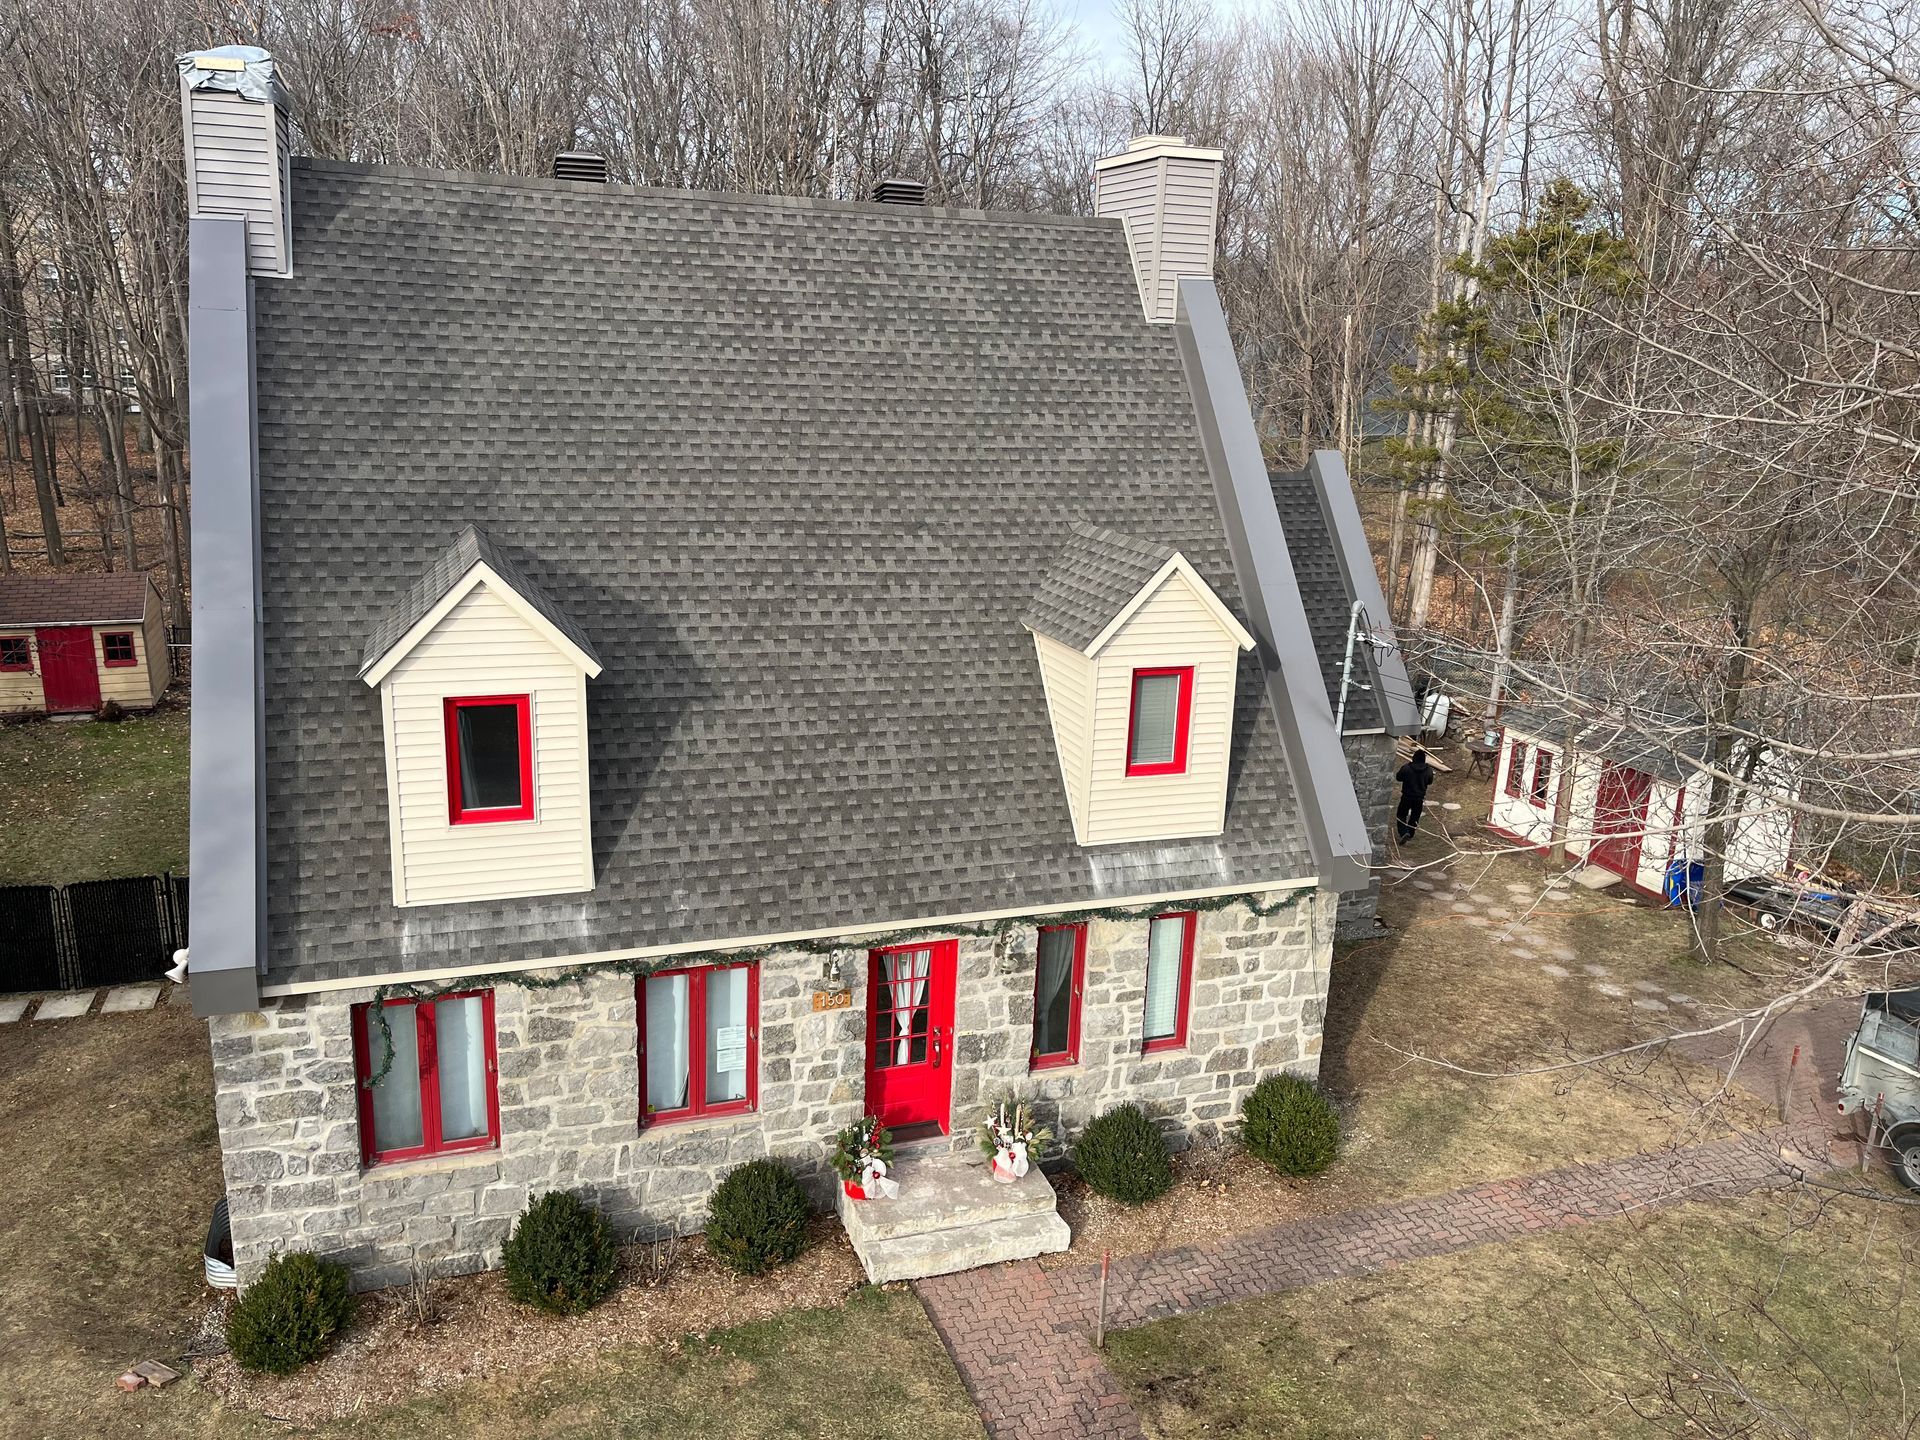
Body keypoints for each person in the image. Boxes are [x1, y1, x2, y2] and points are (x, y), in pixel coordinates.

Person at [1395, 747, 1435, 843]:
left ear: (1414, 758)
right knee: (1415, 816)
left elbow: (1398, 777)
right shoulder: (1428, 770)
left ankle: (1403, 832)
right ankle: (1410, 833)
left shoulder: (1406, 768)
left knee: (1401, 814)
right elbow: (1430, 782)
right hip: (1419, 798)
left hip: (1407, 796)